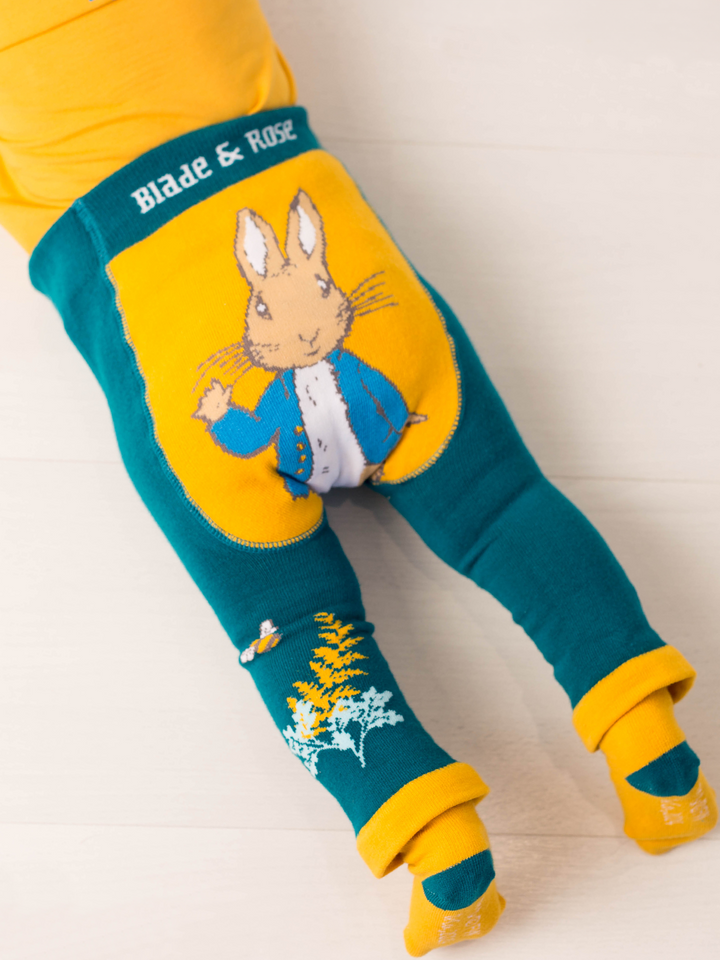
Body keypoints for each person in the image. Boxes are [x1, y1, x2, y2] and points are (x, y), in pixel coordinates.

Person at [1, 2, 716, 955]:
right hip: (330, 240)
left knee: (289, 621)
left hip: (167, 328)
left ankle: (431, 834)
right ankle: (650, 741)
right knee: (503, 507)